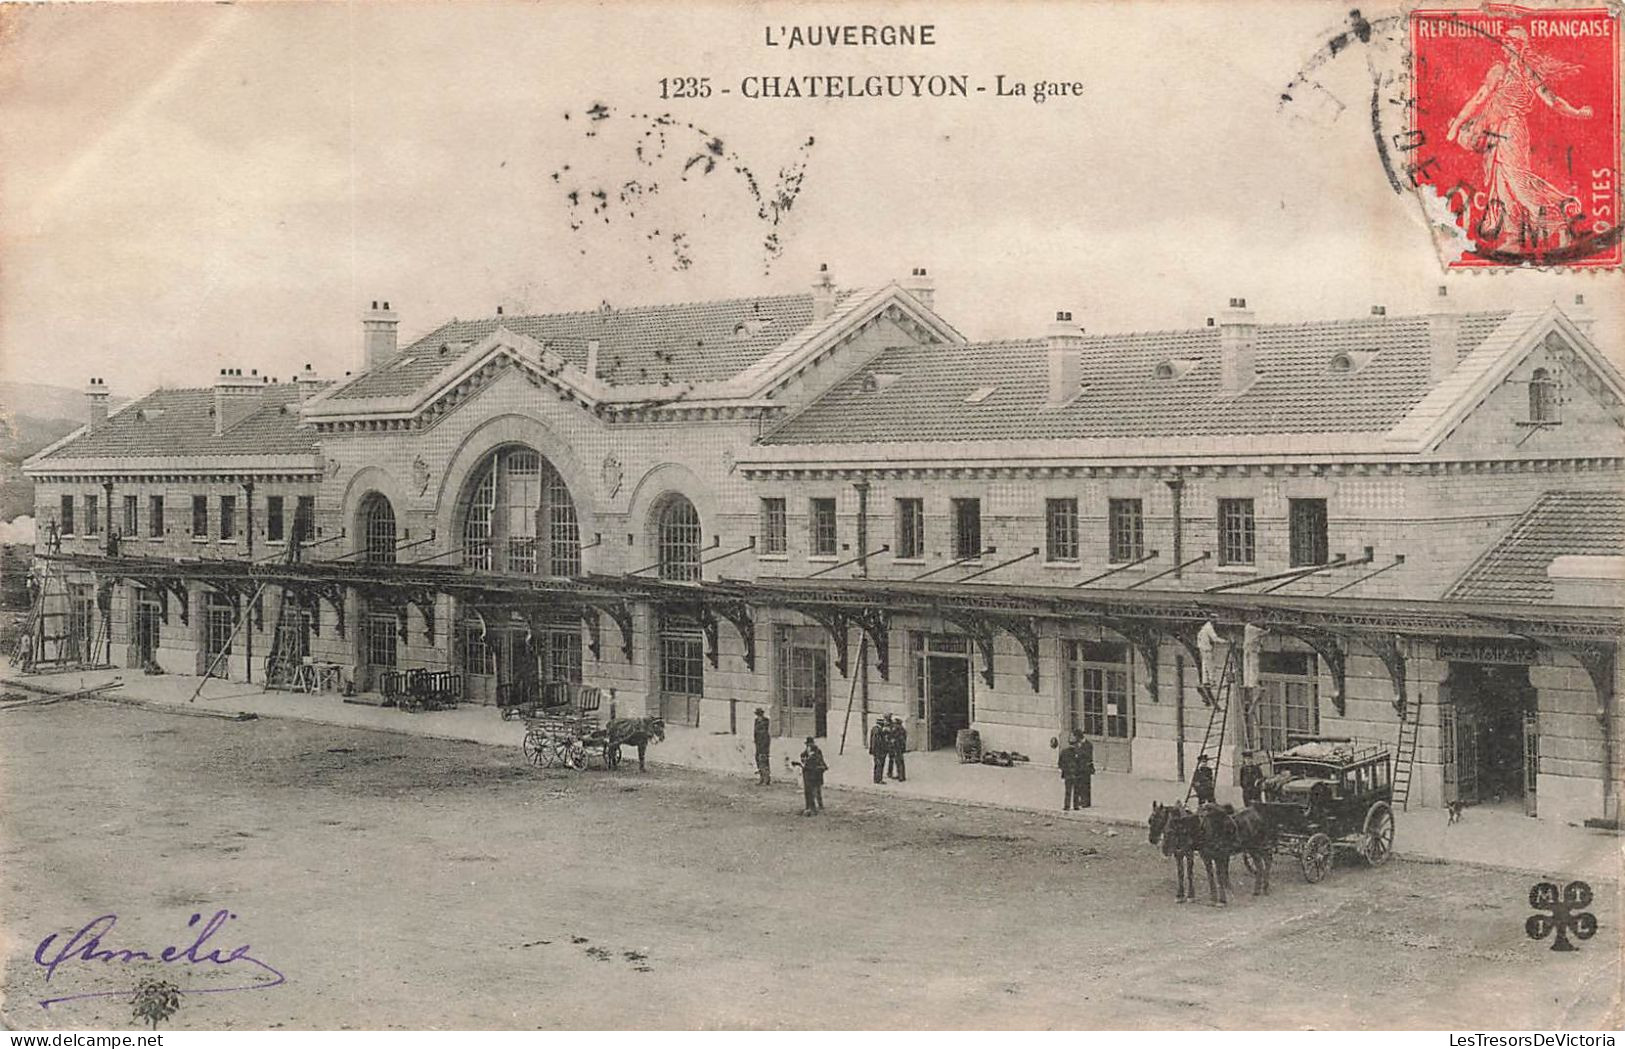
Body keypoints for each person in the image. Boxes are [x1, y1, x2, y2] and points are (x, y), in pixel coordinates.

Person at [1058, 730, 1090, 810]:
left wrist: (1064, 770)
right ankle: (1075, 806)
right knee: (1076, 790)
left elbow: (1060, 763)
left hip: (1068, 774)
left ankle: (1067, 806)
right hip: (1076, 774)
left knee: (1068, 791)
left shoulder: (1064, 752)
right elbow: (1081, 763)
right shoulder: (1079, 752)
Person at [796, 737, 828, 815]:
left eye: (809, 744)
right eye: (807, 744)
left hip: (816, 774)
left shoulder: (817, 751)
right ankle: (810, 806)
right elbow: (803, 756)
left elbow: (819, 762)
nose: (808, 746)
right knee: (810, 790)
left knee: (817, 790)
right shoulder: (807, 751)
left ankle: (819, 805)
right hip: (809, 774)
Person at [752, 707, 772, 786]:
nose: (758, 716)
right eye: (757, 715)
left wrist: (764, 744)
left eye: (759, 714)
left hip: (764, 743)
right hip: (758, 743)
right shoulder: (756, 721)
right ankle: (761, 777)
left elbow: (764, 732)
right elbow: (755, 732)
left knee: (764, 759)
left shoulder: (765, 721)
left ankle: (766, 779)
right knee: (758, 759)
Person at [886, 715, 908, 782]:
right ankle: (901, 775)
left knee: (899, 762)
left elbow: (894, 737)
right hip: (900, 748)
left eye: (895, 723)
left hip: (897, 748)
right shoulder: (902, 729)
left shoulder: (898, 729)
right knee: (900, 762)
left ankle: (901, 776)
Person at [867, 716, 888, 784]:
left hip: (876, 751)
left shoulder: (874, 729)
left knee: (877, 765)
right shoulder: (878, 731)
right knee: (879, 765)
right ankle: (878, 779)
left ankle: (876, 779)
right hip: (879, 751)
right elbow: (877, 742)